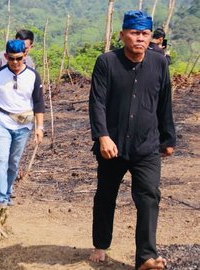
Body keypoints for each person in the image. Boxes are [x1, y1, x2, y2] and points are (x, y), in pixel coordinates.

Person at [88, 10, 175, 270]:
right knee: (106, 195)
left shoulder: (159, 64)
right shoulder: (107, 62)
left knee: (149, 196)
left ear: (151, 37)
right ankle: (101, 244)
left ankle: (146, 257)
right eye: (135, 33)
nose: (140, 39)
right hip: (112, 146)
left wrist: (168, 137)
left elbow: (164, 103)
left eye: (145, 34)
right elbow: (97, 103)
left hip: (146, 144)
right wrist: (102, 136)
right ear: (123, 34)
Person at [0, 40, 45, 207]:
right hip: (1, 121)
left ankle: (7, 192)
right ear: (5, 57)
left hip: (23, 125)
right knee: (1, 158)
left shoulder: (33, 76)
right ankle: (0, 198)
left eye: (19, 58)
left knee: (13, 161)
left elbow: (38, 103)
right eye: (11, 59)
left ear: (25, 55)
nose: (15, 62)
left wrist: (39, 128)